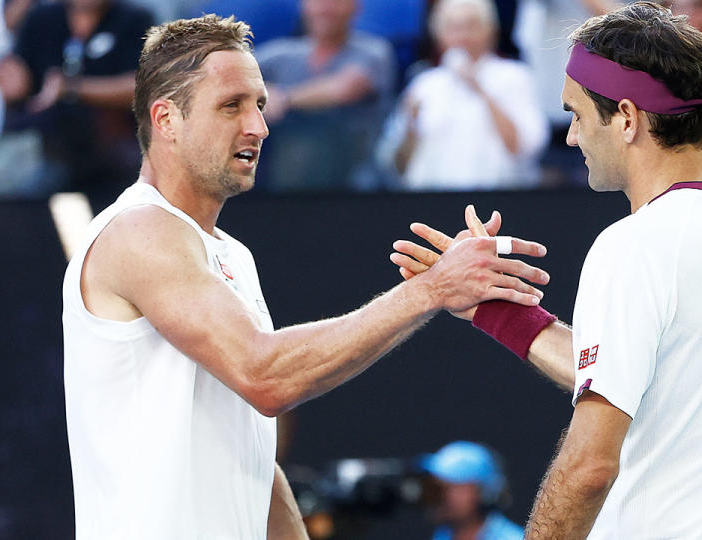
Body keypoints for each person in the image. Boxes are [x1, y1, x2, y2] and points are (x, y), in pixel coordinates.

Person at [61, 14, 550, 538]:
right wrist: (429, 290)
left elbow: (251, 450)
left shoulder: (230, 254)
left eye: (260, 105)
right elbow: (265, 376)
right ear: (165, 120)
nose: (258, 126)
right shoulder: (141, 229)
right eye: (232, 106)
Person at [391, 3, 702, 538]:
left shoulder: (635, 245)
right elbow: (645, 375)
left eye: (575, 115)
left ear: (626, 117)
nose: (571, 138)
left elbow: (589, 468)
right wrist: (493, 309)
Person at [0, 0, 154, 200]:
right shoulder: (42, 18)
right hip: (47, 149)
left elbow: (142, 86)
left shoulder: (134, 19)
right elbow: (21, 75)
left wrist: (73, 88)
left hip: (111, 152)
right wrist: (15, 85)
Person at [378, 0, 549, 191]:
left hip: (500, 198)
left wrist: (478, 88)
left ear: (491, 30)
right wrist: (411, 125)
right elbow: (397, 164)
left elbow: (525, 148)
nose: (462, 36)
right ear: (438, 35)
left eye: (471, 26)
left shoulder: (515, 77)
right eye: (453, 27)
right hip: (431, 199)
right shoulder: (424, 84)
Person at [254, 0, 396, 191]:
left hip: (357, 187)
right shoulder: (280, 54)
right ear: (304, 6)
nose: (326, 8)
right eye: (319, 1)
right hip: (286, 186)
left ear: (355, 7)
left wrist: (282, 98)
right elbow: (230, 75)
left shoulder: (374, 51)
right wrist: (258, 93)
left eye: (336, 2)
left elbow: (344, 89)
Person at [423, 441, 524, 540]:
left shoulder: (518, 538)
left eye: (453, 487)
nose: (441, 496)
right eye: (437, 487)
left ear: (484, 493)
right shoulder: (441, 535)